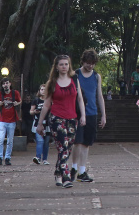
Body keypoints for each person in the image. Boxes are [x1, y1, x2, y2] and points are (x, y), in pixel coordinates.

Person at [36, 54, 86, 188]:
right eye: (61, 64)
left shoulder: (75, 79)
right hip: (56, 119)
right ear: (56, 67)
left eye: (66, 64)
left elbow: (80, 99)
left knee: (67, 149)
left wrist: (83, 116)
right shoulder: (51, 83)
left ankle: (57, 173)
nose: (64, 66)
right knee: (63, 146)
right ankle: (66, 177)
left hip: (72, 119)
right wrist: (40, 123)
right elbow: (46, 104)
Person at [70, 49, 107, 183]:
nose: (90, 66)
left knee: (86, 143)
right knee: (77, 142)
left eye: (92, 63)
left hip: (92, 112)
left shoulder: (96, 76)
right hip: (78, 112)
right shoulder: (75, 74)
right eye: (87, 63)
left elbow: (99, 96)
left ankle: (82, 171)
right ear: (83, 61)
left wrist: (103, 115)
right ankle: (73, 167)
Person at [0, 77, 21, 166]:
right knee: (1, 139)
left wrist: (17, 103)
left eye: (7, 83)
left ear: (10, 84)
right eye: (4, 84)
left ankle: (7, 158)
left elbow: (19, 100)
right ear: (2, 85)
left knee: (10, 140)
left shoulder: (15, 93)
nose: (5, 85)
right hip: (2, 120)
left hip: (12, 120)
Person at [30, 84, 52, 165]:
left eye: (45, 89)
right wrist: (35, 111)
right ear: (39, 91)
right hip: (37, 123)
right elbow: (31, 111)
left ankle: (45, 159)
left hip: (47, 124)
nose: (43, 91)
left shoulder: (50, 100)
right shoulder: (36, 100)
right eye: (42, 89)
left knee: (46, 142)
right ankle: (38, 157)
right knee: (40, 141)